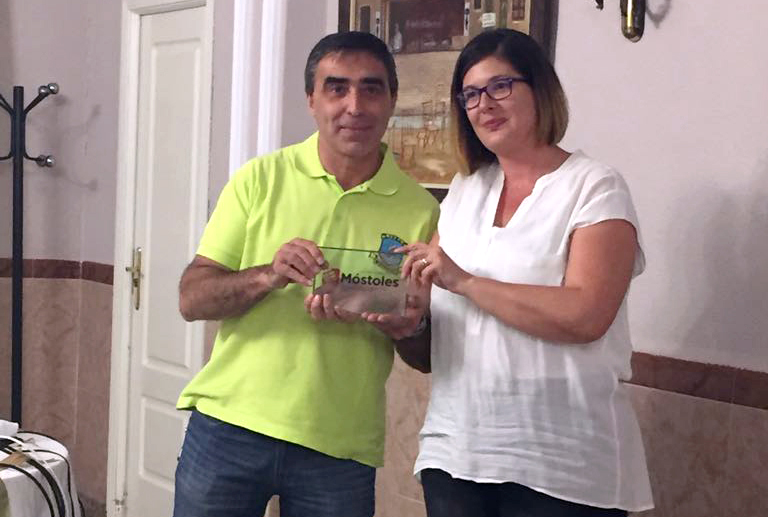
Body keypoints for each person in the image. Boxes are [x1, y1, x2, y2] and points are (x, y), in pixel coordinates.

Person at [172, 31, 439, 517]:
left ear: (392, 100)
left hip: (340, 447)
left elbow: (425, 355)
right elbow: (192, 300)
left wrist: (410, 326)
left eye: (371, 89)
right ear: (311, 100)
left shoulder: (422, 211)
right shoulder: (259, 179)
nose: (354, 105)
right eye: (337, 88)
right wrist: (268, 276)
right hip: (229, 428)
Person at [397, 29, 654, 517]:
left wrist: (465, 282)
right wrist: (404, 320)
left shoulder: (594, 187)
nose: (484, 105)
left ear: (540, 89)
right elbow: (435, 339)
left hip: (563, 465)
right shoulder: (464, 190)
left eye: (500, 86)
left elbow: (586, 315)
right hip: (455, 454)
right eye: (471, 95)